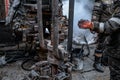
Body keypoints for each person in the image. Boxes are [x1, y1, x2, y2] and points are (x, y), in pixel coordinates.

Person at [78, 0, 120, 79]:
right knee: (100, 45)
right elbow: (95, 14)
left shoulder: (113, 1)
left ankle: (104, 60)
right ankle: (97, 62)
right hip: (102, 27)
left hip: (111, 28)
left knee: (107, 44)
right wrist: (93, 25)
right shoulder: (101, 1)